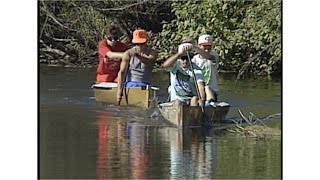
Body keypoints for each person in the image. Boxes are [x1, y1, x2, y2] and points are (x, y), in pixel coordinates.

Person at [117, 29, 158, 102]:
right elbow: (122, 72)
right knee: (135, 85)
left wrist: (137, 56)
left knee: (143, 87)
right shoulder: (128, 53)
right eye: (137, 44)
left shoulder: (153, 53)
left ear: (146, 42)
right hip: (131, 84)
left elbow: (149, 61)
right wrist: (119, 91)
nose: (139, 46)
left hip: (145, 84)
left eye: (141, 44)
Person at [162, 43, 205, 107]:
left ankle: (193, 116)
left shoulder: (196, 70)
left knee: (195, 99)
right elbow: (165, 65)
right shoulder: (175, 66)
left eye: (188, 58)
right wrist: (179, 54)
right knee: (178, 103)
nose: (185, 61)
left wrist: (202, 99)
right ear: (179, 58)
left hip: (191, 99)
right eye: (183, 58)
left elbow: (200, 86)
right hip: (177, 100)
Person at [191, 34, 220, 103]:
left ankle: (210, 104)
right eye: (204, 48)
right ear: (199, 46)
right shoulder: (194, 60)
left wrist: (194, 46)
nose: (207, 50)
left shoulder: (214, 55)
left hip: (212, 91)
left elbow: (208, 57)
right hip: (198, 91)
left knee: (207, 88)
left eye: (209, 48)